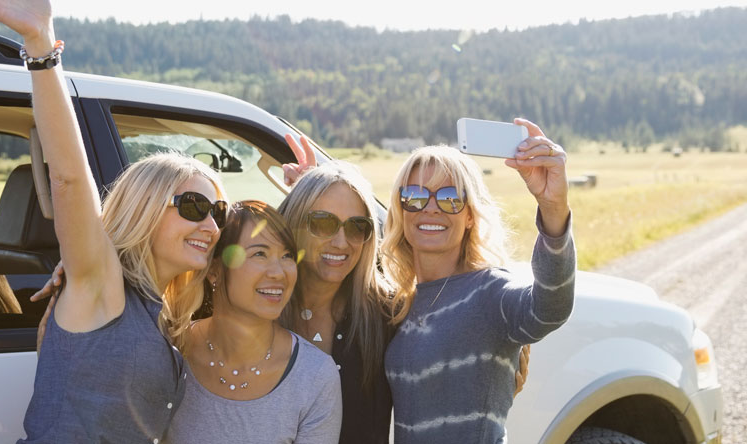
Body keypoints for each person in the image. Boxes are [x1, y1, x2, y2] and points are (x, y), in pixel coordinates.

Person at [0, 0, 227, 442]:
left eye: (217, 212)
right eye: (193, 207)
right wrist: (40, 46)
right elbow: (71, 182)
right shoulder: (101, 286)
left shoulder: (156, 309)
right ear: (143, 210)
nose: (212, 225)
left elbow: (272, 258)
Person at [381, 120, 576, 443]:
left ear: (469, 215)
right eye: (414, 196)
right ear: (401, 209)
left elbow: (550, 309)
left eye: (449, 198)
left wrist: (553, 206)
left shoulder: (489, 292)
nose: (430, 208)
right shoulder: (400, 303)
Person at [165, 200, 343, 443]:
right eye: (260, 253)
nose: (278, 273)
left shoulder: (315, 376)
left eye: (287, 256)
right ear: (214, 269)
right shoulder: (171, 351)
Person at [277, 138, 398, 444]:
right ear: (294, 222)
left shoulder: (389, 314)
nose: (342, 242)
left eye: (357, 227)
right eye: (323, 222)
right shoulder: (258, 303)